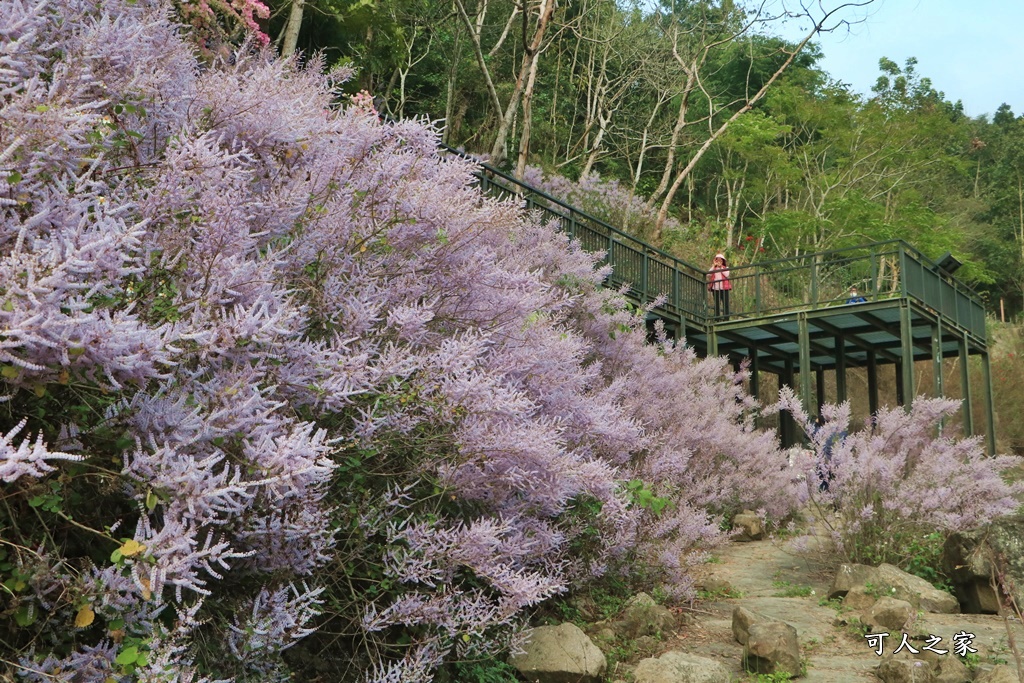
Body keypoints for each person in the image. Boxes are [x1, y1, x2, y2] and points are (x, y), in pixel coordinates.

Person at [708, 253, 732, 319]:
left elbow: (726, 274)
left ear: (723, 262)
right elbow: (708, 274)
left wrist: (721, 267)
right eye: (717, 260)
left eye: (720, 261)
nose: (719, 262)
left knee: (725, 303)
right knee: (717, 303)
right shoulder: (713, 269)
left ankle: (726, 317)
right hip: (715, 288)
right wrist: (713, 266)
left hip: (724, 288)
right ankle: (717, 317)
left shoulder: (726, 268)